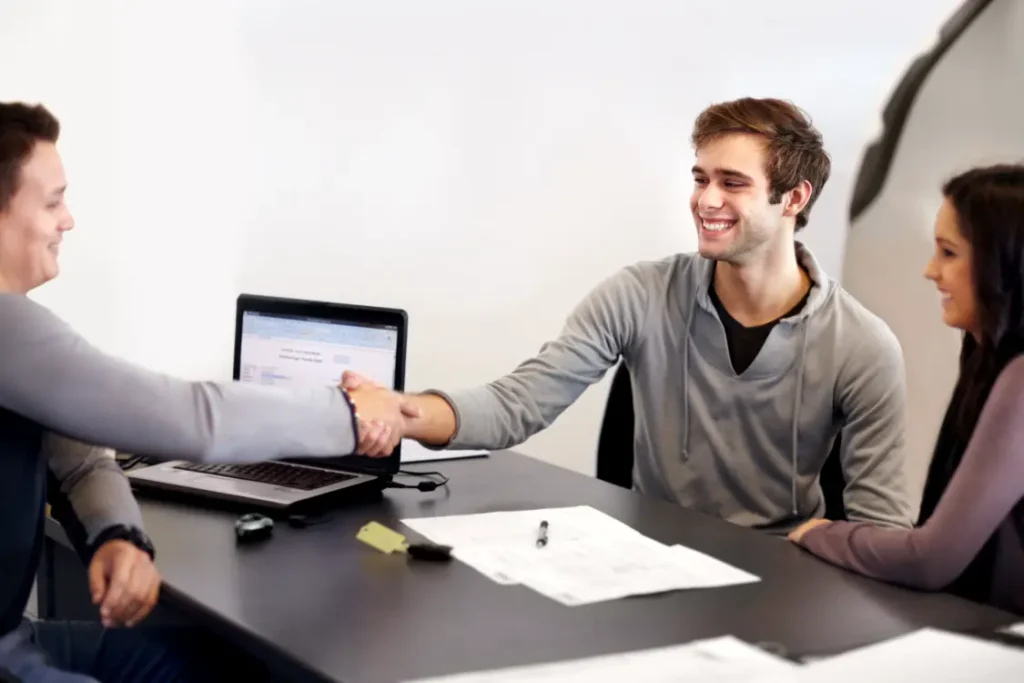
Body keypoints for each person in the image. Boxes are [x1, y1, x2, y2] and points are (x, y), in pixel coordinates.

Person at [345, 97, 913, 534]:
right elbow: (519, 404)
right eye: (701, 178)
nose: (706, 200)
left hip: (783, 586)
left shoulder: (863, 345)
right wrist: (402, 410)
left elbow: (879, 530)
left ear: (793, 199)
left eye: (732, 183)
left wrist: (818, 549)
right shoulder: (640, 293)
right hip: (653, 565)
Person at [0, 101, 414, 681]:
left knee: (221, 665)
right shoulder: (6, 330)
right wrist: (351, 411)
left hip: (14, 639)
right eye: (52, 201)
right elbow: (194, 419)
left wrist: (117, 535)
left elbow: (79, 456)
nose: (68, 220)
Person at [788, 163, 1024, 617]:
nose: (930, 271)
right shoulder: (985, 356)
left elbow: (930, 559)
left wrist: (817, 532)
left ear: (1003, 263)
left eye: (949, 253)